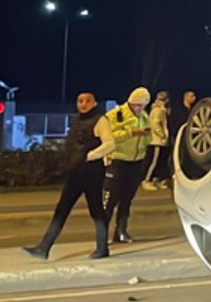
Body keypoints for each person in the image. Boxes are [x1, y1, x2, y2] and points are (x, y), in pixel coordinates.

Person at [23, 93, 115, 260]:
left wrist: (91, 155)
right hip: (75, 173)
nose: (83, 104)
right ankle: (43, 248)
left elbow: (110, 143)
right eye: (80, 101)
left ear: (94, 103)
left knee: (96, 211)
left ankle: (102, 248)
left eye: (88, 101)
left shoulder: (100, 120)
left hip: (91, 173)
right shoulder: (76, 121)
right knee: (62, 209)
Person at [103, 87, 152, 243]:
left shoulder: (144, 116)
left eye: (142, 106)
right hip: (118, 161)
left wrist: (146, 137)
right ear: (130, 102)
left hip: (136, 162)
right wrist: (131, 133)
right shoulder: (116, 115)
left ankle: (121, 232)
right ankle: (102, 235)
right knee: (110, 200)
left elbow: (149, 136)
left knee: (127, 200)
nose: (139, 109)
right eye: (137, 105)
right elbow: (108, 137)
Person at [142, 91, 170, 191]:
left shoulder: (161, 110)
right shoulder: (157, 110)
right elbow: (155, 124)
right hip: (156, 141)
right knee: (153, 162)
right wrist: (162, 135)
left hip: (161, 142)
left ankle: (155, 180)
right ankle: (146, 180)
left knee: (159, 162)